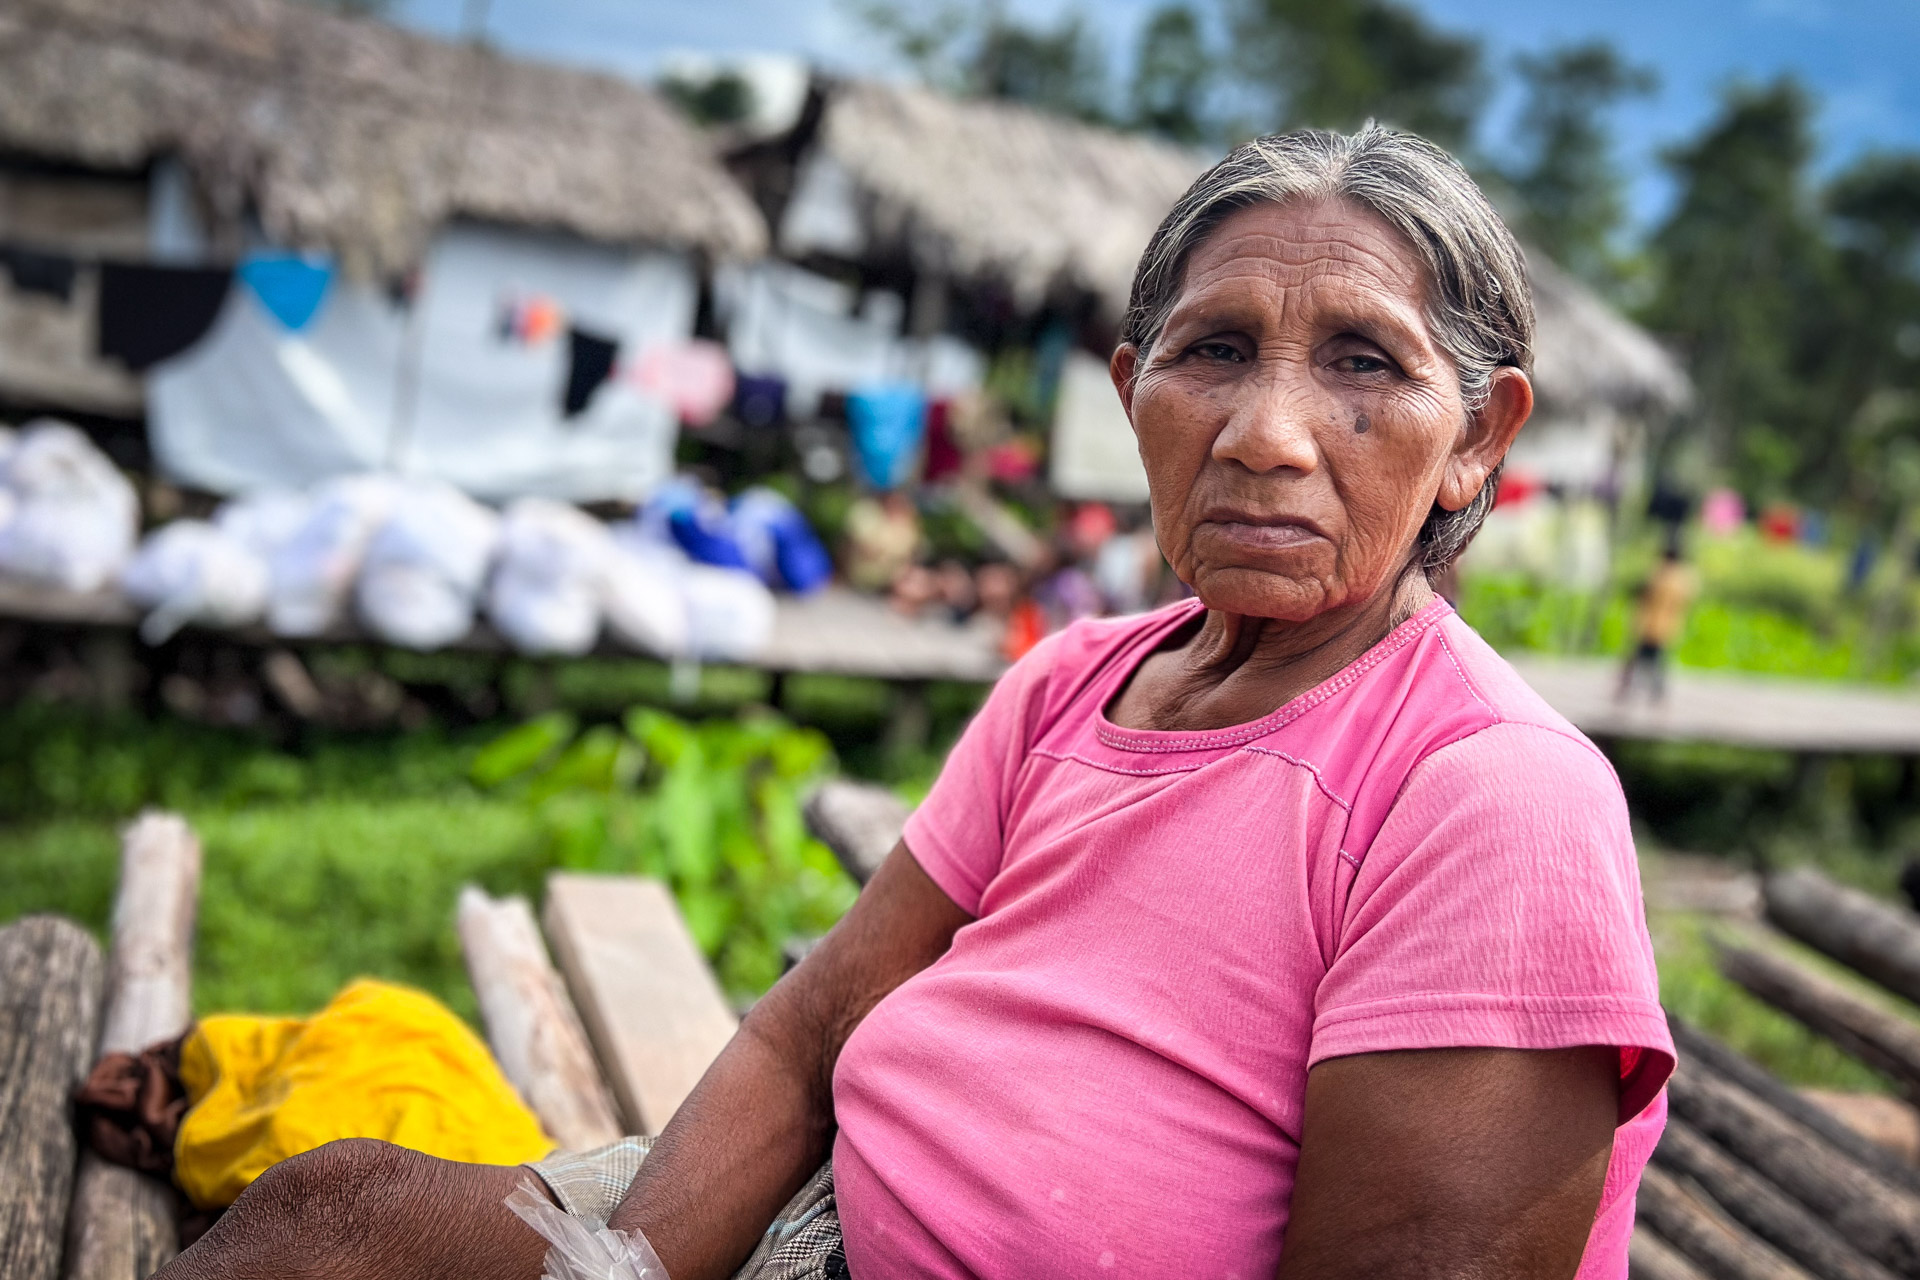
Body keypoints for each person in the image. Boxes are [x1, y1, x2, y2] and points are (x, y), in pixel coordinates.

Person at [157, 124, 1671, 1280]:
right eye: (1215, 353)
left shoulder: (1489, 795)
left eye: (1363, 365)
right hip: (815, 1225)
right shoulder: (1081, 681)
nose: (1268, 434)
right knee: (328, 1211)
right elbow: (807, 1032)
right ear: (1134, 389)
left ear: (1479, 440)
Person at [1617, 539, 1695, 703]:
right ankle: (1653, 692)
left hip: (1651, 624)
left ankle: (1632, 688)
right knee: (1654, 661)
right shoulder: (1683, 579)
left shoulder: (1659, 575)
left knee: (1643, 659)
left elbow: (1642, 594)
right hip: (1666, 626)